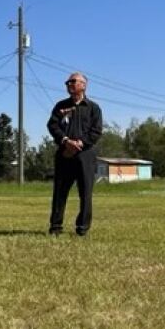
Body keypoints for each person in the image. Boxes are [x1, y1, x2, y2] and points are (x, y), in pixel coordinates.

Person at [46, 72, 103, 236]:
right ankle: (56, 227)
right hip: (64, 153)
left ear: (83, 85)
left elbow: (96, 130)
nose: (69, 85)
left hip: (85, 155)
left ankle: (82, 228)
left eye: (73, 82)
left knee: (85, 193)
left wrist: (80, 143)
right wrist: (65, 141)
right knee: (60, 191)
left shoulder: (93, 108)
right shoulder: (60, 106)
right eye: (67, 83)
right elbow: (52, 125)